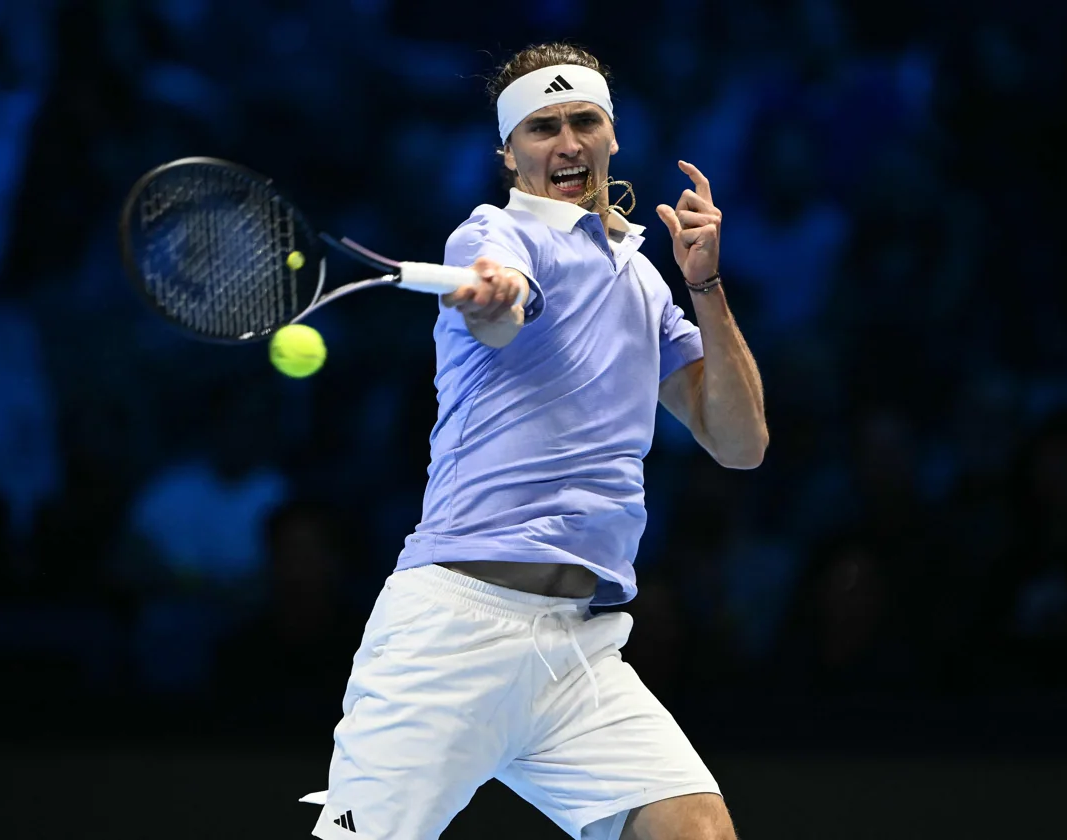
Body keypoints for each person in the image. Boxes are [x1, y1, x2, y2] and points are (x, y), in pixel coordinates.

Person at [305, 43, 767, 840]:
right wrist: (498, 295)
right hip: (454, 633)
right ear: (509, 151)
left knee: (698, 832)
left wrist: (705, 284)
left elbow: (740, 442)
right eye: (543, 126)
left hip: (579, 653)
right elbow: (500, 304)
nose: (567, 143)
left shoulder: (646, 278)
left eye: (583, 120)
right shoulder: (490, 234)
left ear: (612, 134)